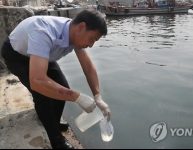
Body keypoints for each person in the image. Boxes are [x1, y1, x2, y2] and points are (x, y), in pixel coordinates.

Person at [1, 9, 111, 149]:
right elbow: (38, 81)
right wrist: (77, 97)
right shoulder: (44, 31)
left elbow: (88, 67)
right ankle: (56, 141)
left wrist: (98, 96)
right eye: (91, 39)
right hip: (18, 55)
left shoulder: (75, 34)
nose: (91, 45)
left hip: (44, 54)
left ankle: (52, 121)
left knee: (62, 86)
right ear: (81, 27)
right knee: (43, 94)